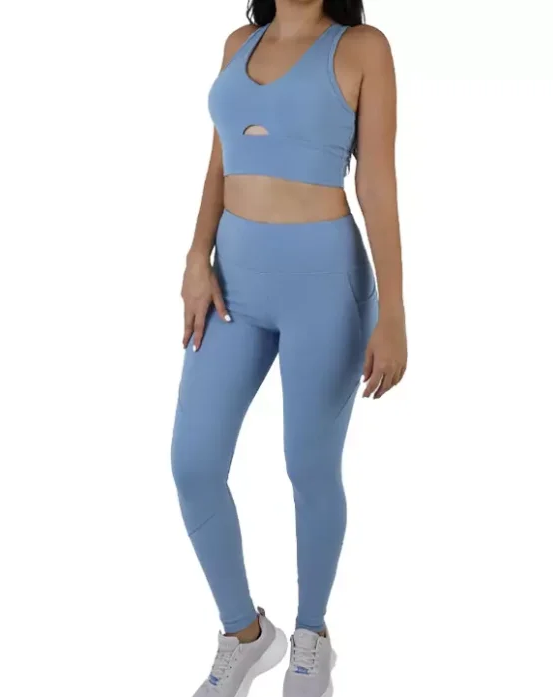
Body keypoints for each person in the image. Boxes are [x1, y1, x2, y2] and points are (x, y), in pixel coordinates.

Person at [170, 1, 405, 695]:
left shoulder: (362, 47)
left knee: (308, 465)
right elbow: (220, 159)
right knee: (193, 462)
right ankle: (245, 634)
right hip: (233, 285)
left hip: (323, 285)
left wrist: (394, 311)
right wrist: (196, 255)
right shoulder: (238, 42)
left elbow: (378, 181)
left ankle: (311, 638)